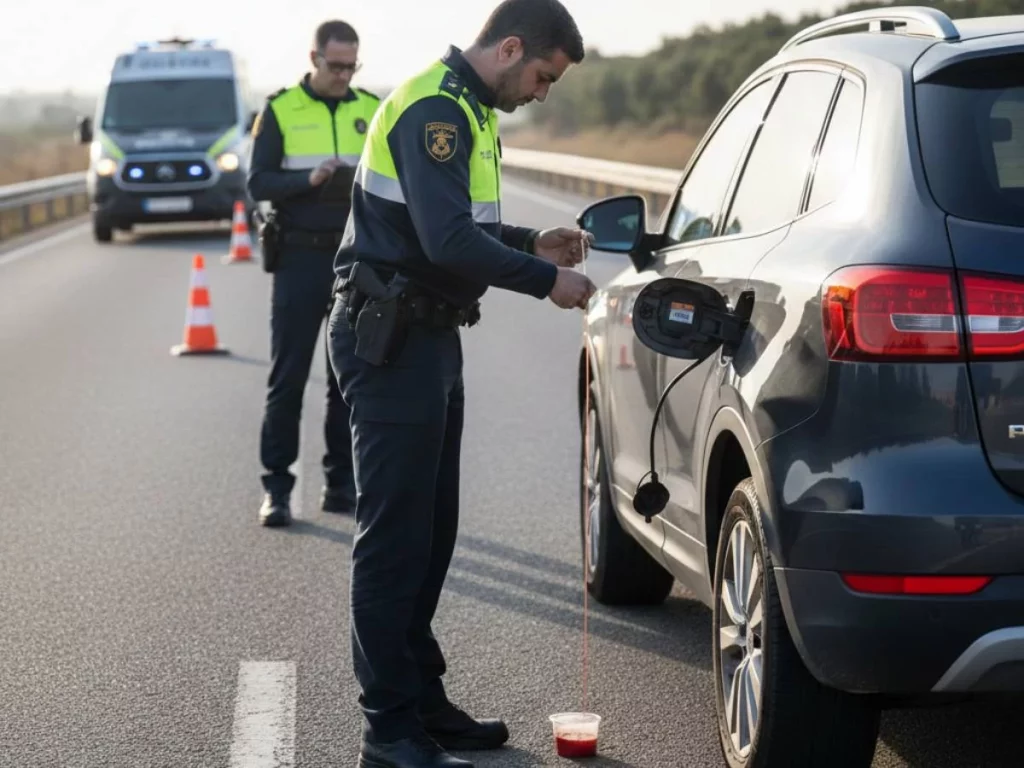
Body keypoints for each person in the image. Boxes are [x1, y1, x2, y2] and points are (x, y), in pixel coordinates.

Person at [326, 1, 595, 766]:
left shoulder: (471, 111)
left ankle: (422, 701)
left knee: (431, 536)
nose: (543, 92)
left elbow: (451, 226)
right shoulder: (436, 109)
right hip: (391, 341)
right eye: (543, 76)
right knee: (395, 544)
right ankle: (388, 730)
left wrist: (527, 240)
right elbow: (445, 241)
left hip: (430, 339)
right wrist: (547, 279)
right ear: (511, 48)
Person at [247, 20, 381, 527]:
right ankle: (277, 489)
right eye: (336, 65)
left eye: (352, 66)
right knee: (288, 377)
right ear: (314, 58)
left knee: (346, 380)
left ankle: (340, 485)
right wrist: (310, 178)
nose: (344, 75)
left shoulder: (372, 108)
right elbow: (258, 180)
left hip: (356, 261)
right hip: (300, 258)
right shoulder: (280, 108)